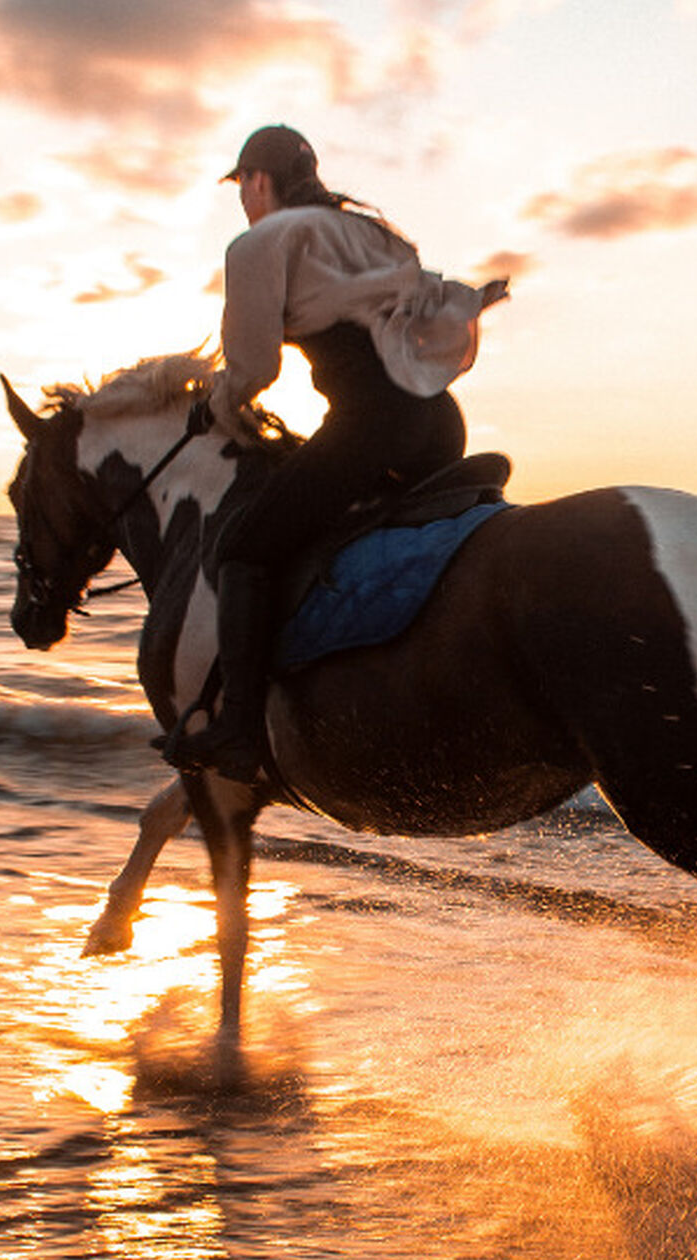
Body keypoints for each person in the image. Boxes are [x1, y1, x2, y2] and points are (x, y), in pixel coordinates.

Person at [166, 125, 509, 783]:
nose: (243, 200)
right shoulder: (371, 234)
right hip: (438, 423)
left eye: (242, 186)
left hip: (371, 426)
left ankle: (238, 729)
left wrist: (218, 406)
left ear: (257, 181)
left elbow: (253, 365)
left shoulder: (261, 242)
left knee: (243, 549)